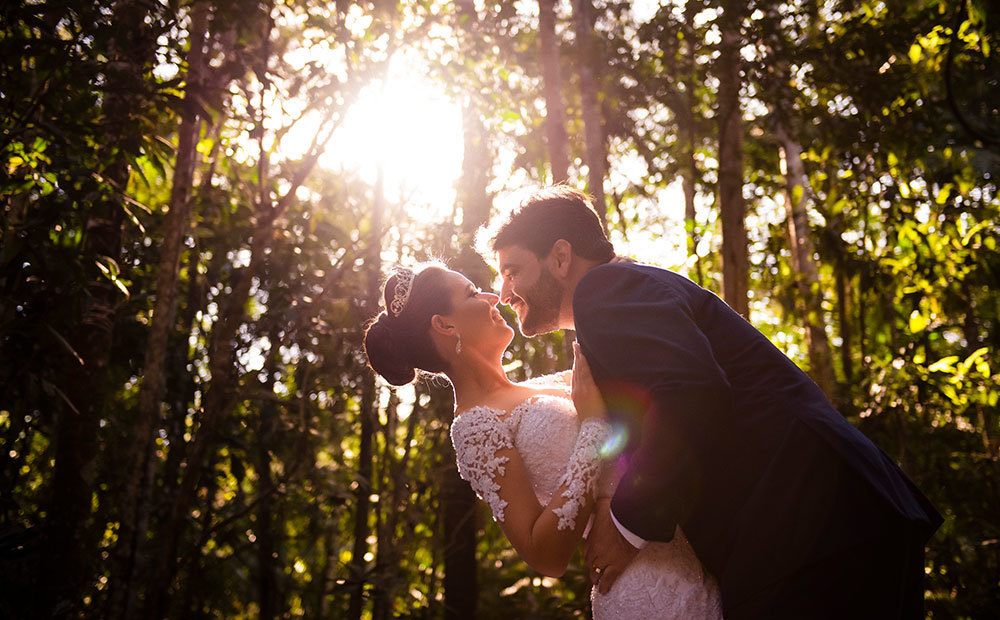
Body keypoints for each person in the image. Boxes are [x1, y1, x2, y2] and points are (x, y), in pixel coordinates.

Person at [486, 185, 942, 620]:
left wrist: (627, 525)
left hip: (814, 528)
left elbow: (691, 392)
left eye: (512, 271)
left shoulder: (605, 290)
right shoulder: (623, 291)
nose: (504, 293)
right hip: (829, 523)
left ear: (561, 257)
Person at [364, 263, 723, 619]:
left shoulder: (552, 383)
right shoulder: (474, 428)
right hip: (644, 593)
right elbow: (544, 555)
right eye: (473, 293)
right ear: (445, 325)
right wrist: (593, 425)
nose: (493, 297)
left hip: (698, 557)